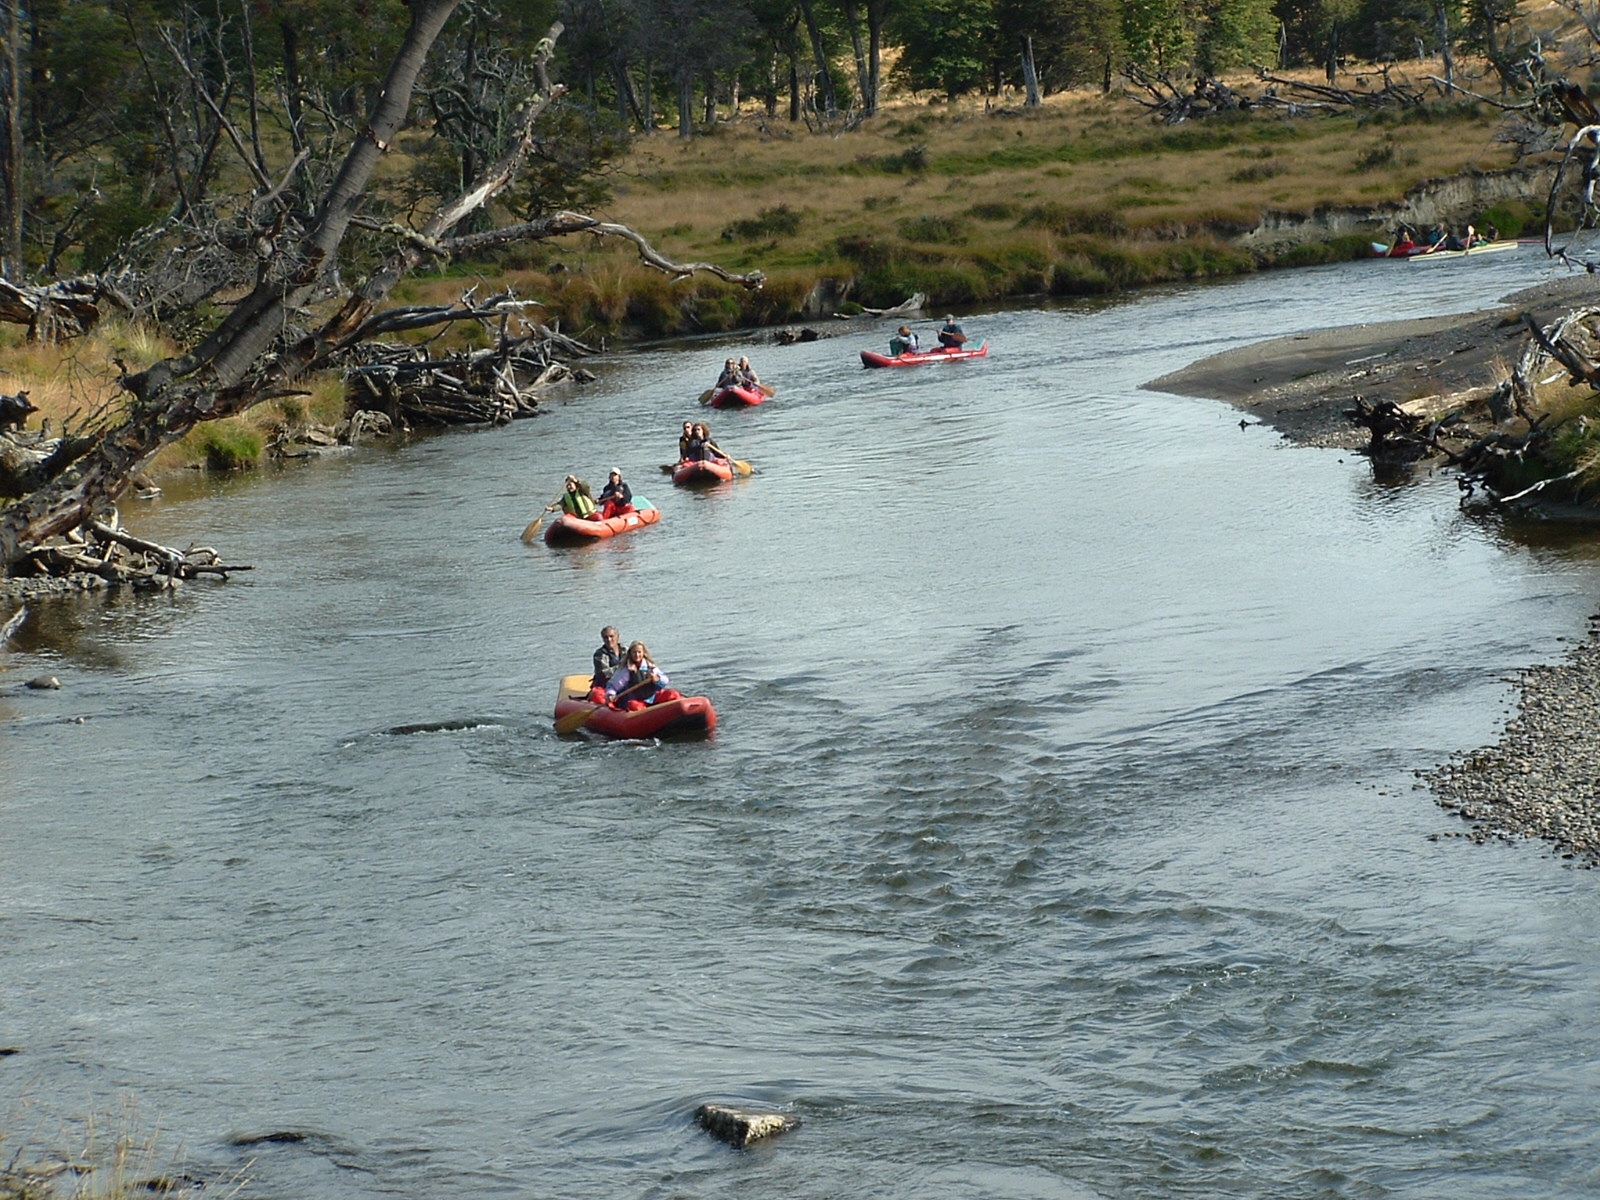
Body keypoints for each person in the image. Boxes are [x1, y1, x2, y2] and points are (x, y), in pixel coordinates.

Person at [605, 640, 681, 710]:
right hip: (637, 700)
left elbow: (665, 680)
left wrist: (657, 679)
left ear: (643, 653)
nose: (637, 655)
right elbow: (612, 686)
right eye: (634, 652)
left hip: (653, 697)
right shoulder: (626, 670)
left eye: (639, 652)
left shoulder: (650, 666)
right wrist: (611, 695)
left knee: (673, 694)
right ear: (630, 654)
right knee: (635, 706)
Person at [589, 625, 625, 701]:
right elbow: (604, 673)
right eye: (606, 637)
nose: (609, 639)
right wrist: (624, 667)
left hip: (622, 683)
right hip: (604, 685)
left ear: (617, 637)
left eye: (611, 636)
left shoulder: (626, 650)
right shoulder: (599, 654)